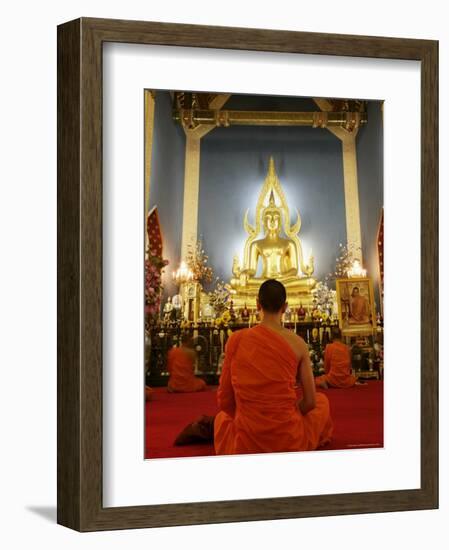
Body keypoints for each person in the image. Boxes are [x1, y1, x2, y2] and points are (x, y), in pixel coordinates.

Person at [214, 279, 333, 455]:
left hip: (247, 439)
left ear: (257, 304)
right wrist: (285, 415)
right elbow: (310, 402)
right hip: (288, 438)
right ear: (285, 307)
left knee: (221, 418)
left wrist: (249, 416)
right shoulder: (298, 344)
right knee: (322, 402)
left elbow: (225, 400)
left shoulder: (236, 340)